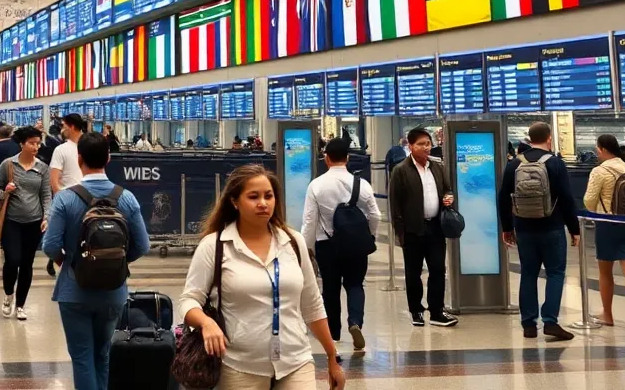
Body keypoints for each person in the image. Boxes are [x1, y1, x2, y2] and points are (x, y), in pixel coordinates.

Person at [180, 165, 344, 390]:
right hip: (239, 366)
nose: (263, 203)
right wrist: (206, 323)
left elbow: (312, 304)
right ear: (234, 202)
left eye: (269, 196)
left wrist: (332, 358)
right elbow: (189, 300)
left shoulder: (293, 242)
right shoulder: (215, 246)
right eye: (253, 197)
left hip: (296, 362)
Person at [42, 132, 151, 390]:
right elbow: (142, 245)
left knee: (82, 358)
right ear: (109, 158)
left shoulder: (65, 198)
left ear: (79, 159)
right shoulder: (126, 197)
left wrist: (68, 263)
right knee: (102, 355)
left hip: (74, 290)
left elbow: (50, 245)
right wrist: (118, 264)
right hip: (113, 292)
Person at [497, 121, 579, 341]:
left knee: (529, 273)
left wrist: (507, 228)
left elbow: (503, 197)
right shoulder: (555, 163)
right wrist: (574, 229)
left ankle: (528, 325)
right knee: (555, 273)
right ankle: (550, 321)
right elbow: (567, 198)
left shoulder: (514, 164)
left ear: (529, 138)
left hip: (523, 228)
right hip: (552, 227)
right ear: (549, 138)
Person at [301, 139, 381, 352]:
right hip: (356, 245)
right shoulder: (361, 184)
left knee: (330, 288)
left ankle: (334, 334)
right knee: (355, 284)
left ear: (326, 158)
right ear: (348, 158)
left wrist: (306, 248)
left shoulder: (316, 185)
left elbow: (310, 221)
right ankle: (355, 322)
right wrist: (369, 236)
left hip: (327, 245)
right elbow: (375, 214)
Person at [388, 127, 458, 327]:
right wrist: (400, 233)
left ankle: (436, 310)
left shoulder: (437, 167)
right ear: (410, 147)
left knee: (437, 269)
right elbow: (395, 204)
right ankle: (416, 310)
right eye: (421, 144)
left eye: (428, 143)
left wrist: (448, 197)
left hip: (435, 227)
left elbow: (446, 189)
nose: (426, 147)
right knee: (413, 272)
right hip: (412, 230)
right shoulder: (401, 170)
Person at [584, 133, 625, 331]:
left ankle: (608, 314)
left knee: (605, 272)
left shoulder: (600, 171)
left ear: (602, 149)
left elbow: (589, 200)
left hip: (608, 223)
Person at [0, 126, 52, 321]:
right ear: (22, 144)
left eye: (38, 143)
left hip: (33, 223)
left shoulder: (42, 168)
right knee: (13, 260)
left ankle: (20, 305)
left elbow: (45, 194)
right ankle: (8, 294)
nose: (36, 147)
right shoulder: (8, 165)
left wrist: (46, 216)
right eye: (32, 143)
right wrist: (6, 191)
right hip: (12, 221)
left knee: (27, 263)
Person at [50, 113, 87, 196]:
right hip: (72, 199)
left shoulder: (60, 150)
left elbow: (53, 180)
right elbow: (54, 182)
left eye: (64, 126)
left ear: (72, 127)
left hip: (78, 198)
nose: (62, 130)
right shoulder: (61, 149)